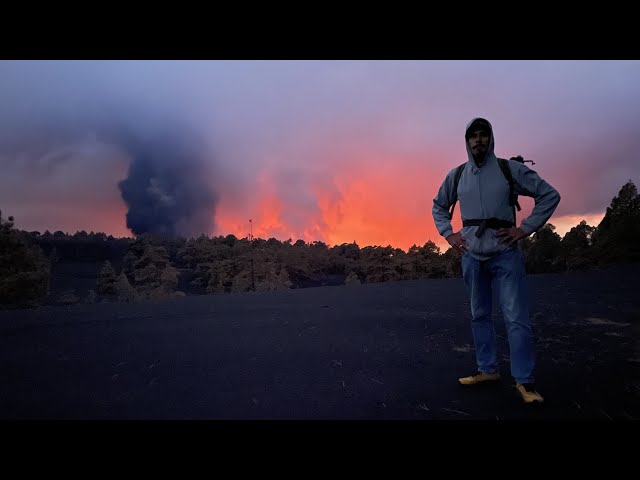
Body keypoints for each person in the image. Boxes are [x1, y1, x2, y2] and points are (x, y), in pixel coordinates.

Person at [432, 117, 560, 404]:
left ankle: (525, 381)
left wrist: (525, 228)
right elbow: (439, 205)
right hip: (471, 255)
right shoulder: (457, 175)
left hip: (505, 253)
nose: (478, 140)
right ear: (467, 141)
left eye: (483, 135)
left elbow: (549, 195)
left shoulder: (508, 169)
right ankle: (487, 370)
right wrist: (449, 234)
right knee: (479, 315)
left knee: (516, 318)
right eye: (473, 136)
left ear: (490, 138)